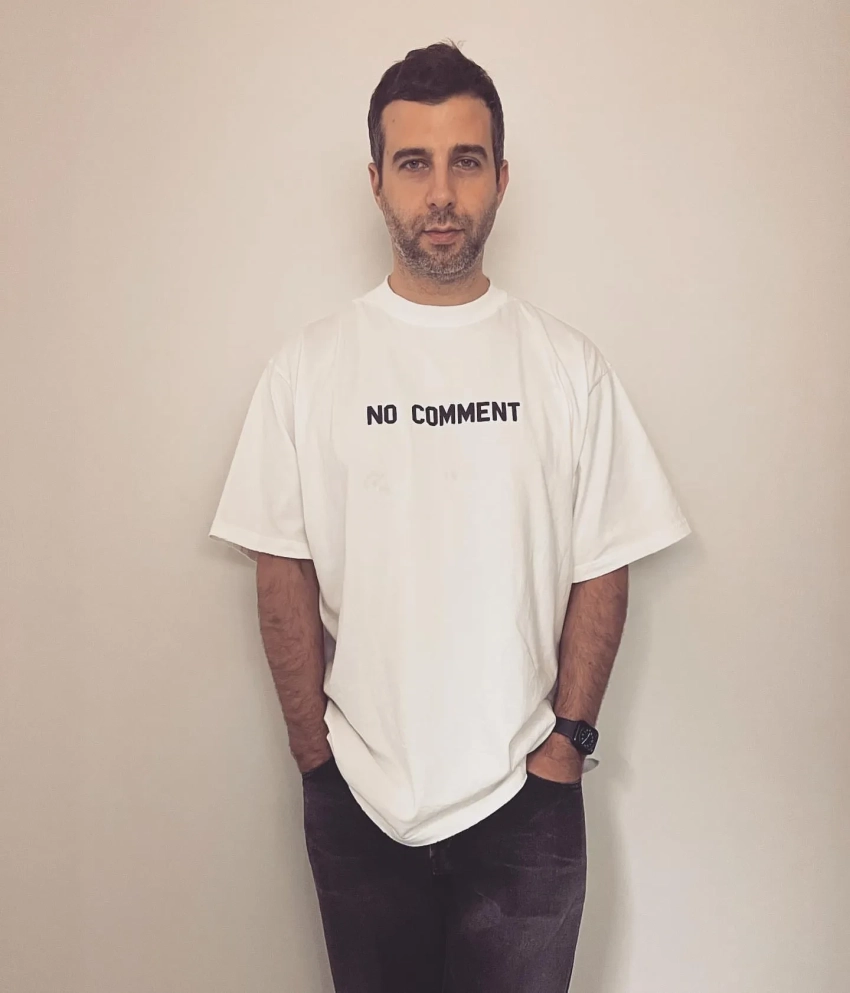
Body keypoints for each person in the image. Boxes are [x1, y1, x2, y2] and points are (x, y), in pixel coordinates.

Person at [209, 39, 691, 993]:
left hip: (527, 804)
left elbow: (605, 558)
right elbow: (280, 569)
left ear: (501, 178)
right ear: (376, 181)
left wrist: (568, 744)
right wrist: (316, 759)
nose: (440, 193)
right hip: (359, 798)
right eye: (413, 163)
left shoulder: (567, 366)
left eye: (465, 161)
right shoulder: (307, 368)